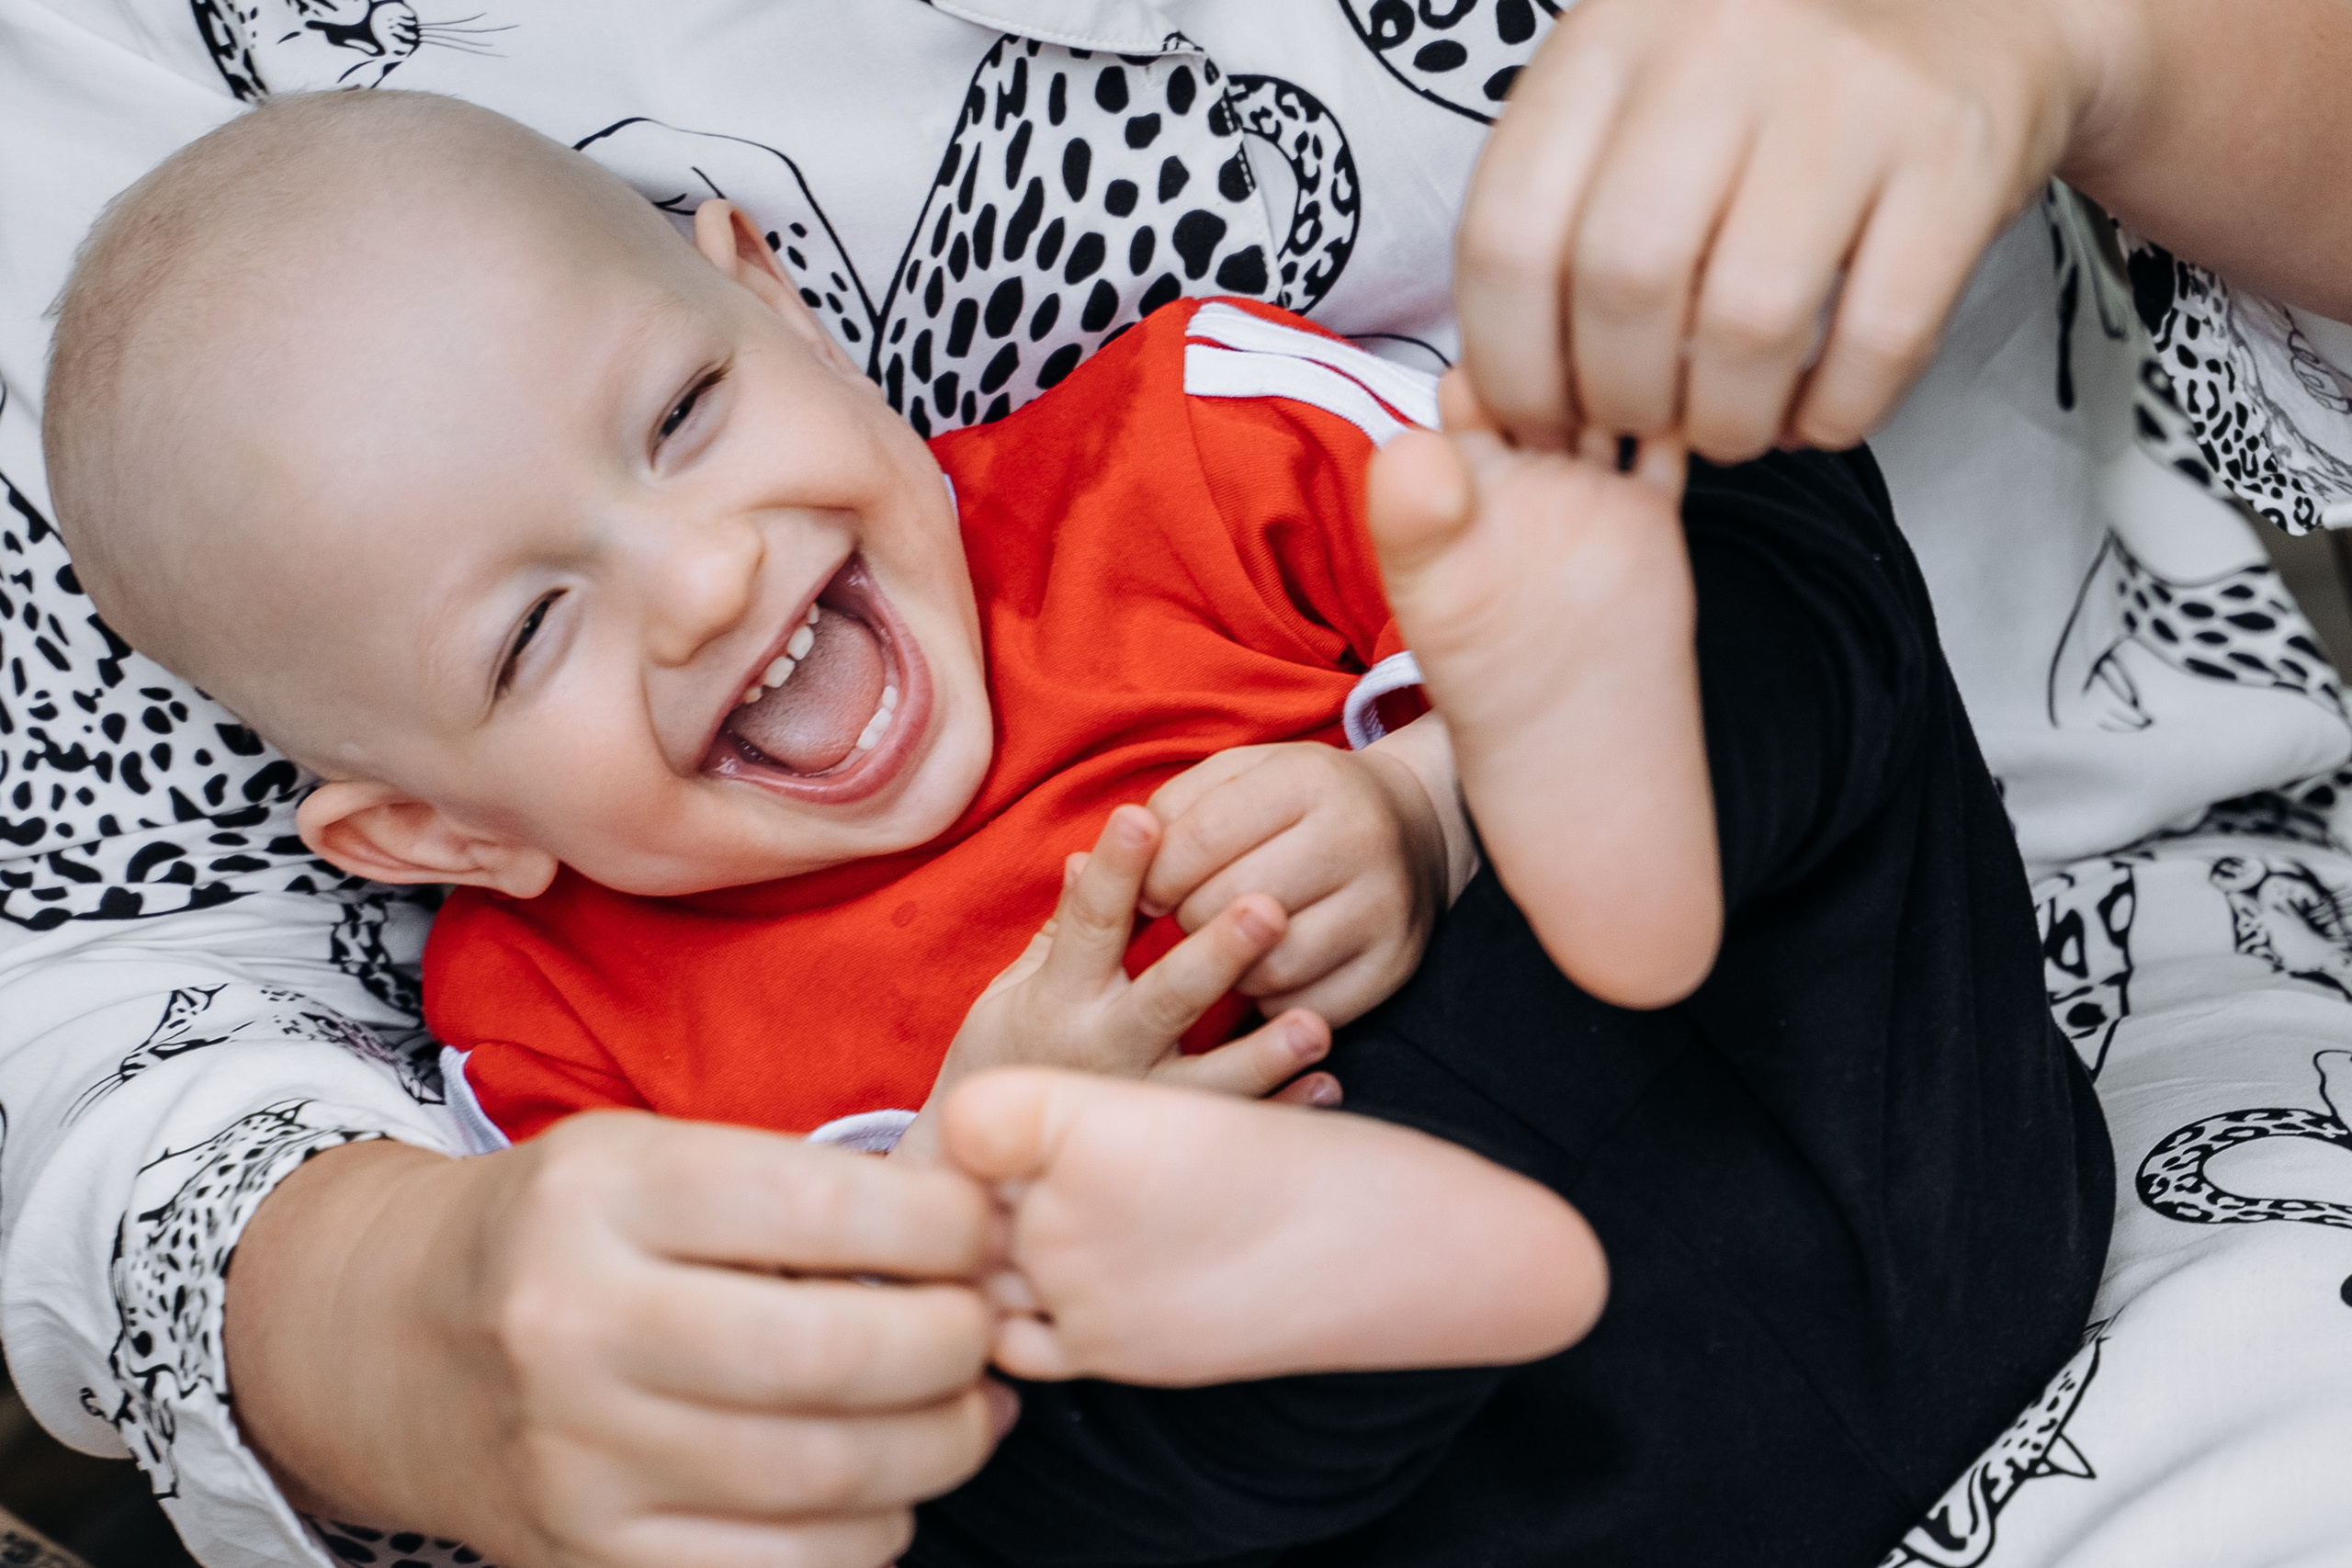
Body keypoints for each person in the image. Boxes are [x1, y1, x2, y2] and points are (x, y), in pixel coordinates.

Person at [4, 5, 2349, 1566]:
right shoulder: (565, 1040)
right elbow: (707, 1336)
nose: (706, 574)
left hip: (1831, 1119)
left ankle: (1564, 788)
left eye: (691, 419)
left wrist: (1429, 803)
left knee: (1727, 543)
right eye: (532, 635)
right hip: (1411, 1474)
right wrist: (964, 1195)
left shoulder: (1175, 439)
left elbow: (1518, 507)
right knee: (992, 1435)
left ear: (774, 293)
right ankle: (1214, 1243)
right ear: (433, 833)